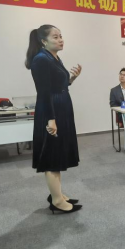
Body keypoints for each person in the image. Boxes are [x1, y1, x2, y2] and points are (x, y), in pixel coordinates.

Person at [25, 24, 83, 214]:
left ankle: (57, 194)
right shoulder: (41, 59)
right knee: (51, 156)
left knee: (58, 154)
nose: (60, 40)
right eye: (55, 37)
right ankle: (57, 201)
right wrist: (51, 119)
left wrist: (72, 78)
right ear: (44, 41)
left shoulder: (53, 57)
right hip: (51, 110)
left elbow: (59, 85)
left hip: (60, 107)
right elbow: (44, 93)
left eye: (61, 36)